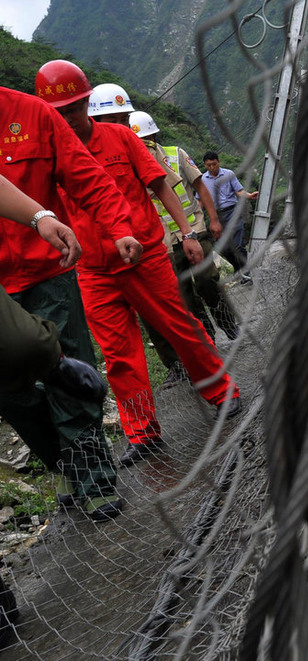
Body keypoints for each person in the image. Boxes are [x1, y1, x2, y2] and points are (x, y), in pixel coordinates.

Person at [35, 60, 242, 467]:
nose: (68, 120)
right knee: (118, 352)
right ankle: (142, 431)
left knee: (179, 326)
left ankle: (221, 391)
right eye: (57, 114)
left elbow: (160, 185)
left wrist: (187, 233)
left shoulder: (121, 139)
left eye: (74, 109)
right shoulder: (50, 157)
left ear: (87, 104)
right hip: (94, 270)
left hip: (144, 258)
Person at [0, 80, 142, 520]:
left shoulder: (32, 114)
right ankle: (64, 460)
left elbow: (87, 177)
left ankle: (95, 477)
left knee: (66, 369)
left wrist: (119, 226)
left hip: (47, 269)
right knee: (12, 392)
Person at [128, 110, 240, 379]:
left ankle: (228, 325)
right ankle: (208, 340)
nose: (145, 145)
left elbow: (200, 187)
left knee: (207, 282)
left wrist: (213, 220)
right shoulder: (130, 165)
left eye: (147, 140)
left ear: (154, 135)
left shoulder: (175, 155)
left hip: (194, 229)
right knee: (185, 297)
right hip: (165, 241)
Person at [201, 151, 258, 283]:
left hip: (233, 212)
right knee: (224, 249)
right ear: (205, 165)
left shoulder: (228, 174)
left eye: (214, 164)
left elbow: (239, 191)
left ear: (218, 162)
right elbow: (201, 200)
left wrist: (249, 196)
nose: (211, 168)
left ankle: (246, 274)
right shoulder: (202, 179)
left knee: (238, 245)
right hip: (216, 217)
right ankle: (239, 269)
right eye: (208, 165)